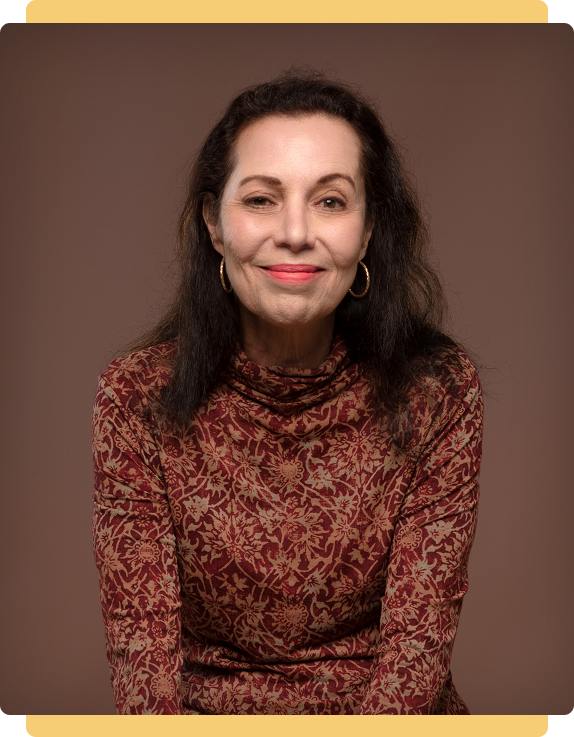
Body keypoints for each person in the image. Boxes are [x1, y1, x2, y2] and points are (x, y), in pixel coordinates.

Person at [92, 71, 482, 715]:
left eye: (330, 201)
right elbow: (144, 671)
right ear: (215, 226)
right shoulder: (136, 396)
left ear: (368, 230)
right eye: (261, 199)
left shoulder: (437, 391)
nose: (296, 232)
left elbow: (415, 661)